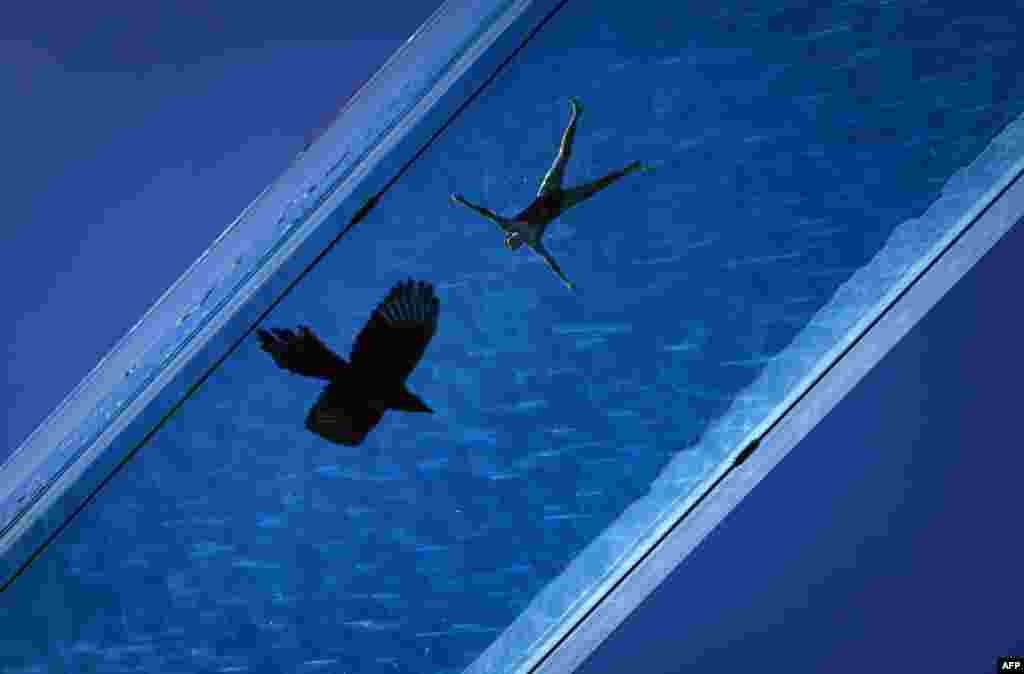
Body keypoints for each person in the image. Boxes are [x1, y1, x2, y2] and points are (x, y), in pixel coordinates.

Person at [451, 98, 649, 290]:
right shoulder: (533, 243)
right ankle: (631, 169)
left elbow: (485, 213)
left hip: (546, 192)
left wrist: (462, 202)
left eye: (510, 242)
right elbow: (551, 262)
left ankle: (576, 113)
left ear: (510, 236)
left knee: (563, 156)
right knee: (594, 188)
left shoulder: (508, 225)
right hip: (561, 204)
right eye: (514, 247)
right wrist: (565, 281)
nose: (514, 244)